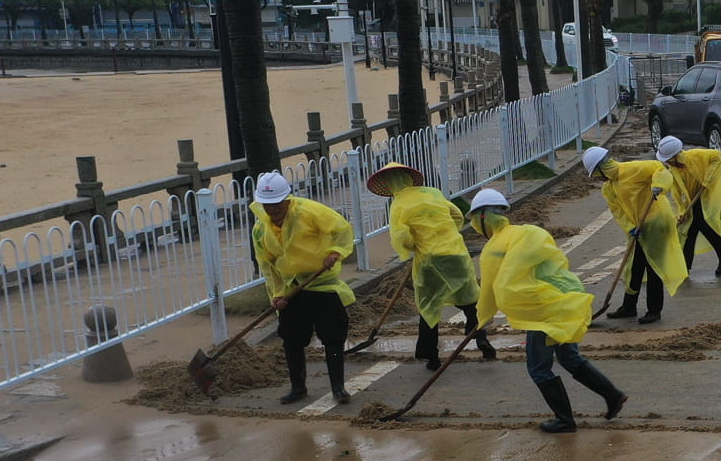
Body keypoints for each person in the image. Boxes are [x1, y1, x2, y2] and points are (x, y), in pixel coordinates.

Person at [467, 187, 627, 432]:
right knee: (568, 357)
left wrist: (481, 321)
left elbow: (488, 291)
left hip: (542, 308)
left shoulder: (493, 248)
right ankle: (613, 395)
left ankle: (565, 420)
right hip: (566, 298)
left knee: (539, 367)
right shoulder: (528, 231)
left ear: (481, 217)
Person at [367, 161, 495, 369]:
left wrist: (419, 243)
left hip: (430, 259)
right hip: (456, 252)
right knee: (470, 299)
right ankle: (482, 340)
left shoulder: (398, 203)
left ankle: (431, 356)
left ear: (390, 184)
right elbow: (456, 215)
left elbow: (402, 238)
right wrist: (445, 234)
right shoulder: (433, 192)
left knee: (428, 306)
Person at [250, 171, 356, 405]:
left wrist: (334, 252)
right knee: (291, 339)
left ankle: (338, 387)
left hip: (321, 284)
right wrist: (277, 294)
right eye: (267, 205)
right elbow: (267, 266)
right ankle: (298, 387)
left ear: (287, 199)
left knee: (333, 336)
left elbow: (342, 229)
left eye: (277, 204)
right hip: (291, 288)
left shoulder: (309, 211)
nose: (272, 210)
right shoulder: (260, 229)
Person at [582, 145, 685, 324]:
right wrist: (630, 226)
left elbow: (660, 169)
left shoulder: (632, 169)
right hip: (637, 228)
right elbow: (618, 212)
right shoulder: (608, 188)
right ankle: (629, 307)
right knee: (634, 267)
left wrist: (658, 186)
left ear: (602, 166)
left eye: (597, 174)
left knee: (653, 266)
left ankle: (654, 310)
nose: (598, 179)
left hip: (656, 221)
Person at [656, 136, 721, 278]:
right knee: (688, 232)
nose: (666, 162)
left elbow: (719, 157)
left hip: (707, 194)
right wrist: (682, 211)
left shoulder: (695, 156)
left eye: (668, 159)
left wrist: (707, 180)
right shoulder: (673, 169)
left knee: (705, 227)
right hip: (692, 200)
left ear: (676, 155)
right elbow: (677, 192)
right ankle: (688, 267)